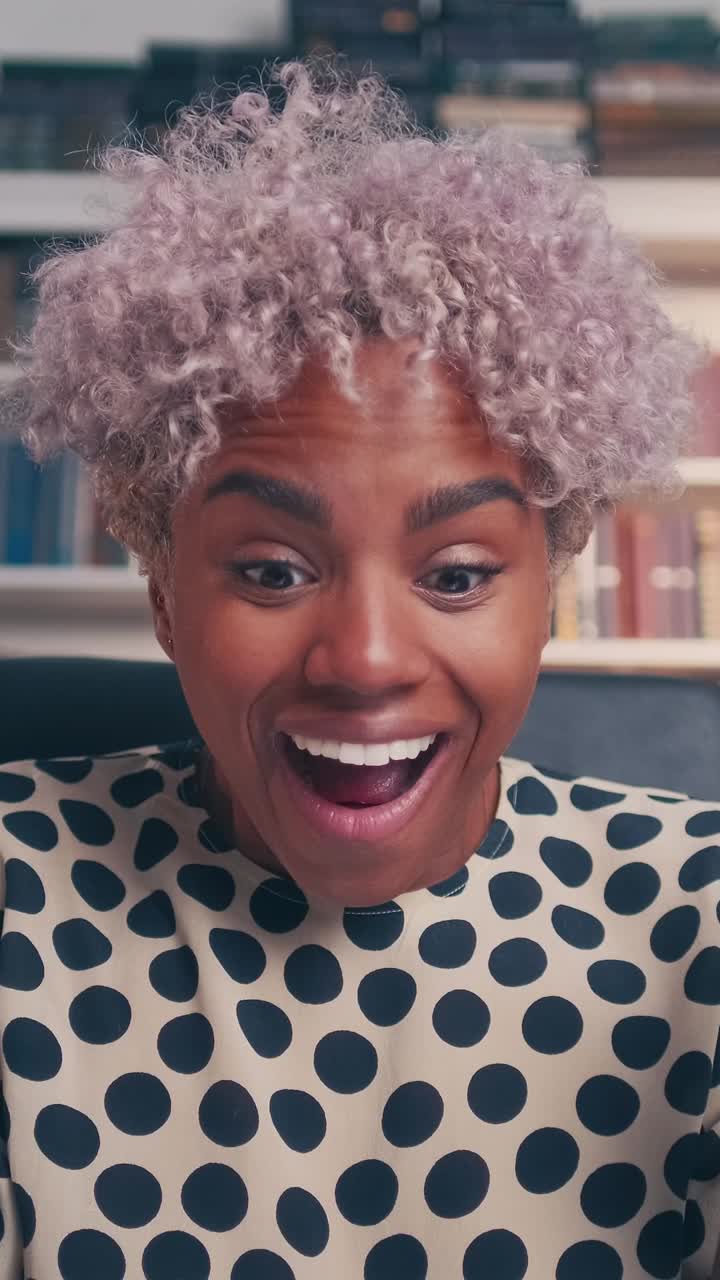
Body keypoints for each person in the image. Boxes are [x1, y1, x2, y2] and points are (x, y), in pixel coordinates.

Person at [0, 59, 718, 1280]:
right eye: (274, 570)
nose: (368, 660)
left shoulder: (697, 914)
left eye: (456, 574)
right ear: (166, 594)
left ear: (554, 587)